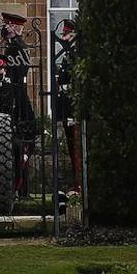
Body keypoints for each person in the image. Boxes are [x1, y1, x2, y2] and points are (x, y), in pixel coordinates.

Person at [0, 11, 38, 198]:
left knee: (19, 145)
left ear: (14, 28)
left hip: (17, 99)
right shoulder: (13, 46)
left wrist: (1, 67)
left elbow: (14, 72)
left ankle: (19, 187)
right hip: (15, 95)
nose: (4, 28)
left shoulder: (16, 47)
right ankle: (20, 188)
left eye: (7, 25)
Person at [53, 18, 82, 193]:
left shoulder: (76, 53)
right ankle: (76, 180)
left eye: (66, 34)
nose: (63, 37)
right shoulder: (68, 54)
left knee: (76, 146)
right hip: (66, 105)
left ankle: (79, 183)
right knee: (71, 146)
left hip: (73, 105)